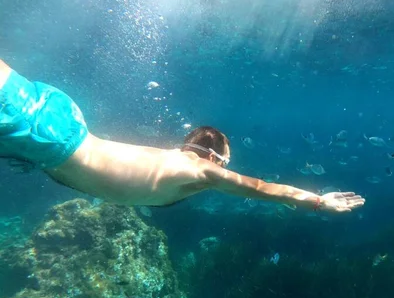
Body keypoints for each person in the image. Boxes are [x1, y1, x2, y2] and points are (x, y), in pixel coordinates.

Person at [0, 59, 365, 212]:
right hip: (50, 134)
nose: (221, 175)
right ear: (214, 159)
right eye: (225, 166)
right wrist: (317, 201)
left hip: (52, 136)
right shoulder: (199, 171)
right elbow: (260, 188)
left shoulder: (167, 160)